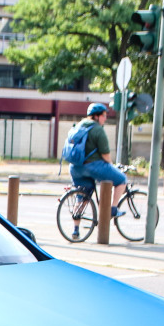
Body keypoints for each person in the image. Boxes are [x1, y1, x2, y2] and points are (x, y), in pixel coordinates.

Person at [66, 102, 127, 239]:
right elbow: (105, 154)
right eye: (104, 115)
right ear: (97, 116)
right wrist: (112, 166)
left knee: (82, 195)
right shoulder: (98, 129)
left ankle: (75, 229)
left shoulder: (79, 125)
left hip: (75, 167)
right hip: (93, 166)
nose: (105, 118)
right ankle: (113, 209)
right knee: (122, 179)